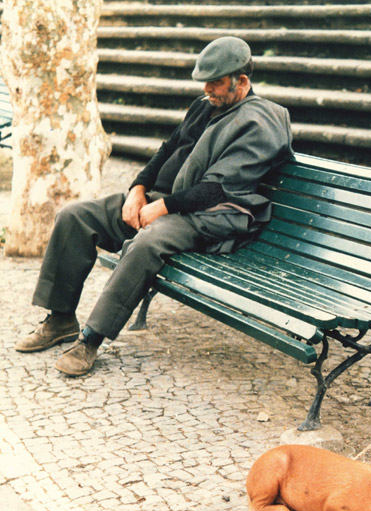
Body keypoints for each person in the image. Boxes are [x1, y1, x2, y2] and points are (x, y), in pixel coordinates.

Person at [15, 36, 294, 376]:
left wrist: (162, 209)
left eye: (216, 83)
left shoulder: (261, 122)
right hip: (164, 200)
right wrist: (137, 189)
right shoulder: (204, 105)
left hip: (214, 214)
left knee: (147, 243)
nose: (208, 89)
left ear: (243, 81)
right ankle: (60, 319)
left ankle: (90, 338)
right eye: (204, 82)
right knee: (75, 216)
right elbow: (167, 149)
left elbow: (217, 190)